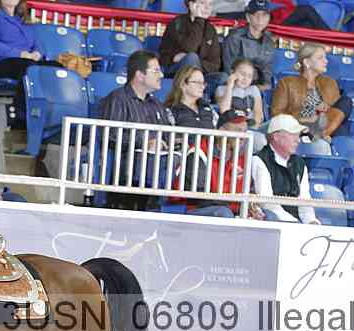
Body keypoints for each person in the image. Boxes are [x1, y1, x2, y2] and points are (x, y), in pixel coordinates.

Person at [98, 50, 172, 211]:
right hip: (127, 170)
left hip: (157, 168)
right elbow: (111, 135)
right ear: (139, 75)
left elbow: (167, 134)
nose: (161, 75)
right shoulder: (118, 99)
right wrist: (145, 142)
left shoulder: (156, 104)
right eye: (156, 71)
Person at [172, 109, 266, 218]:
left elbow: (250, 190)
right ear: (221, 130)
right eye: (238, 130)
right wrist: (235, 207)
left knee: (269, 216)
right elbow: (197, 196)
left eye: (245, 131)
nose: (243, 136)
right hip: (192, 209)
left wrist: (252, 207)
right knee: (224, 213)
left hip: (230, 208)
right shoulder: (200, 152)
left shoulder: (242, 156)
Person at [0, 0, 50, 125]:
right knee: (29, 69)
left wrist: (38, 53)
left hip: (27, 62)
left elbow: (38, 44)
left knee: (55, 67)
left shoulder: (23, 19)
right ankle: (20, 120)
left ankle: (48, 119)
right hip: (1, 63)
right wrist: (19, 54)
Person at [271, 43, 352, 142]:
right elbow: (277, 115)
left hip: (323, 125)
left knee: (346, 101)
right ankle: (319, 136)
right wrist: (307, 119)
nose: (326, 61)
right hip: (300, 126)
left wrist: (324, 109)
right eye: (320, 58)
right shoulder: (286, 83)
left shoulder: (330, 83)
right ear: (307, 62)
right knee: (340, 131)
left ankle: (321, 135)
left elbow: (335, 115)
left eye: (325, 57)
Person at [251, 114, 320, 223]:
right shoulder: (259, 160)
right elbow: (266, 203)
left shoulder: (300, 163)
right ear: (276, 137)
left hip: (294, 223)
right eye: (293, 135)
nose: (298, 140)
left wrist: (311, 221)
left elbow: (304, 201)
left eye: (298, 135)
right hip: (272, 222)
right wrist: (293, 222)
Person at [159, 0, 222, 82]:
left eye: (210, 4)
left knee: (223, 77)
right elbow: (190, 48)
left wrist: (198, 62)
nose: (207, 7)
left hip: (202, 73)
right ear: (191, 5)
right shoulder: (178, 23)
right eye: (202, 3)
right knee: (191, 57)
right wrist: (199, 19)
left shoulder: (210, 29)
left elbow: (215, 65)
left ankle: (198, 85)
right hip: (176, 72)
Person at [220, 0, 275, 90]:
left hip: (257, 87)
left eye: (264, 15)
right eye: (256, 15)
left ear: (269, 18)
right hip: (236, 85)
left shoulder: (269, 42)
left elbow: (267, 72)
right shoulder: (235, 37)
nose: (260, 19)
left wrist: (263, 86)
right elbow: (228, 69)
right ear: (248, 17)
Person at [215, 58, 264, 128]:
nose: (245, 79)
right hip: (231, 127)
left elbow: (258, 114)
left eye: (249, 76)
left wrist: (253, 128)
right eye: (243, 74)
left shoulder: (254, 89)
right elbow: (224, 110)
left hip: (250, 127)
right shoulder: (221, 89)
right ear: (232, 73)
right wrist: (229, 86)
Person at [165, 65, 218, 130]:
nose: (202, 87)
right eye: (197, 82)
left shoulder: (208, 108)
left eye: (203, 83)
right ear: (182, 84)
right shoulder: (170, 110)